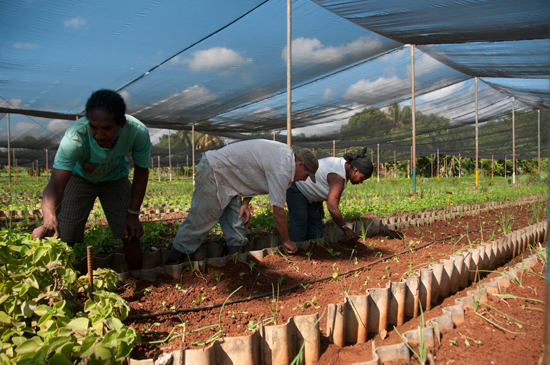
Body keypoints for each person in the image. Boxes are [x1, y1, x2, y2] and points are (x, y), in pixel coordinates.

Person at [32, 89, 151, 270]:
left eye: (107, 128)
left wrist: (133, 214)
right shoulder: (75, 137)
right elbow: (56, 186)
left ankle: (140, 279)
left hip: (115, 178)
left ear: (122, 123)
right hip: (80, 178)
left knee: (130, 233)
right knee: (63, 236)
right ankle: (57, 286)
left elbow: (141, 173)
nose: (99, 135)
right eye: (93, 127)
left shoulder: (137, 132)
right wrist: (49, 219)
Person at [165, 140, 319, 265]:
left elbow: (255, 170)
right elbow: (278, 213)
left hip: (231, 180)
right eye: (306, 175)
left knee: (237, 231)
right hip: (215, 171)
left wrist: (245, 203)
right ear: (300, 165)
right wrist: (287, 241)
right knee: (199, 223)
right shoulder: (282, 168)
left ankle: (235, 268)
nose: (305, 179)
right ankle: (172, 266)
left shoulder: (285, 155)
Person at [286, 148, 373, 242]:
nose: (361, 182)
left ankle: (316, 250)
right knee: (300, 222)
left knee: (315, 221)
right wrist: (345, 228)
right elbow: (332, 207)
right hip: (298, 187)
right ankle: (298, 252)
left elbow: (322, 178)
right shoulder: (338, 175)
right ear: (355, 171)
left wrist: (320, 198)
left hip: (311, 193)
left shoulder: (342, 167)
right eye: (362, 178)